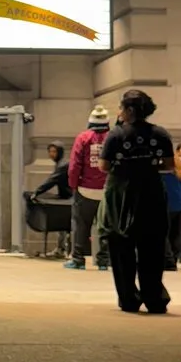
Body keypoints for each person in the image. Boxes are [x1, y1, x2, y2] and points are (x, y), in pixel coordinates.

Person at [99, 90, 175, 314]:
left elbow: (104, 166)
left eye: (121, 108)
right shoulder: (160, 134)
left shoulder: (115, 135)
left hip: (122, 194)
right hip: (152, 193)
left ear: (129, 110)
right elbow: (169, 165)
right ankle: (154, 298)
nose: (119, 112)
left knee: (122, 247)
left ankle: (129, 298)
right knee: (152, 247)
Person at [65, 106, 111, 271]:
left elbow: (75, 165)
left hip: (85, 189)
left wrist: (73, 185)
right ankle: (104, 260)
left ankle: (78, 259)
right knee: (106, 226)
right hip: (107, 190)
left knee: (81, 225)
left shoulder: (83, 138)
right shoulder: (113, 137)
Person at [29, 142, 72, 258]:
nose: (51, 154)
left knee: (66, 225)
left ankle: (66, 250)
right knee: (63, 225)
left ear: (60, 152)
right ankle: (61, 249)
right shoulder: (60, 164)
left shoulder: (62, 165)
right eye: (50, 151)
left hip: (70, 198)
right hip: (66, 198)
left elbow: (51, 181)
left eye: (54, 151)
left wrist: (37, 192)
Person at [162, 142, 181, 271]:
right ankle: (173, 259)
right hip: (180, 202)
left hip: (167, 202)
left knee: (164, 233)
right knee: (176, 234)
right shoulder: (179, 164)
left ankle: (168, 261)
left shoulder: (162, 164)